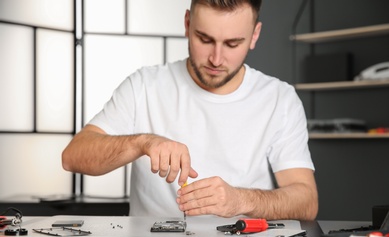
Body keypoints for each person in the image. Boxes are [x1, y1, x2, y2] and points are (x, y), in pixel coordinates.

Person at [62, 0, 318, 220]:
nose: (216, 59)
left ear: (254, 35)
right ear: (187, 24)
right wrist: (142, 142)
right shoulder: (144, 85)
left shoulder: (279, 99)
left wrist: (241, 200)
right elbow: (73, 156)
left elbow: (306, 201)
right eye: (205, 39)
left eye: (232, 44)